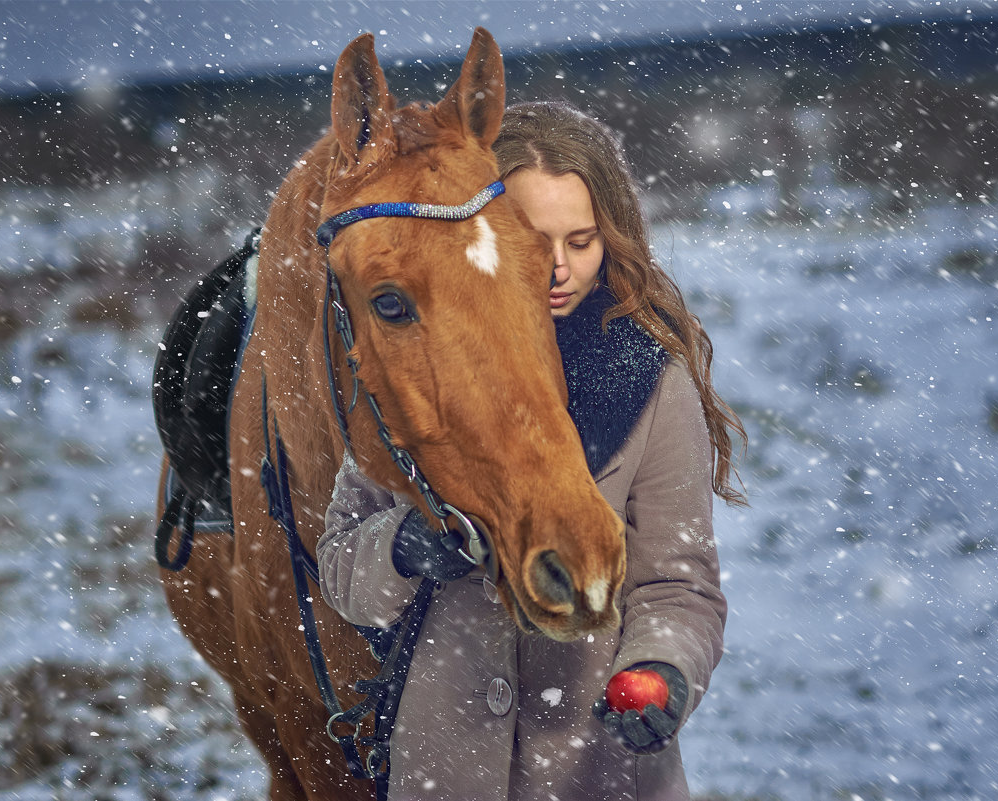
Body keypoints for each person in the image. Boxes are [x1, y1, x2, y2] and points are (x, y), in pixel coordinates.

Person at [317, 101, 746, 800]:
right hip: (442, 773)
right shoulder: (418, 370)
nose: (557, 266)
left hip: (596, 774)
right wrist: (401, 546)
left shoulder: (651, 385)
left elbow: (680, 586)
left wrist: (661, 670)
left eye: (581, 240)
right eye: (531, 235)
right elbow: (339, 565)